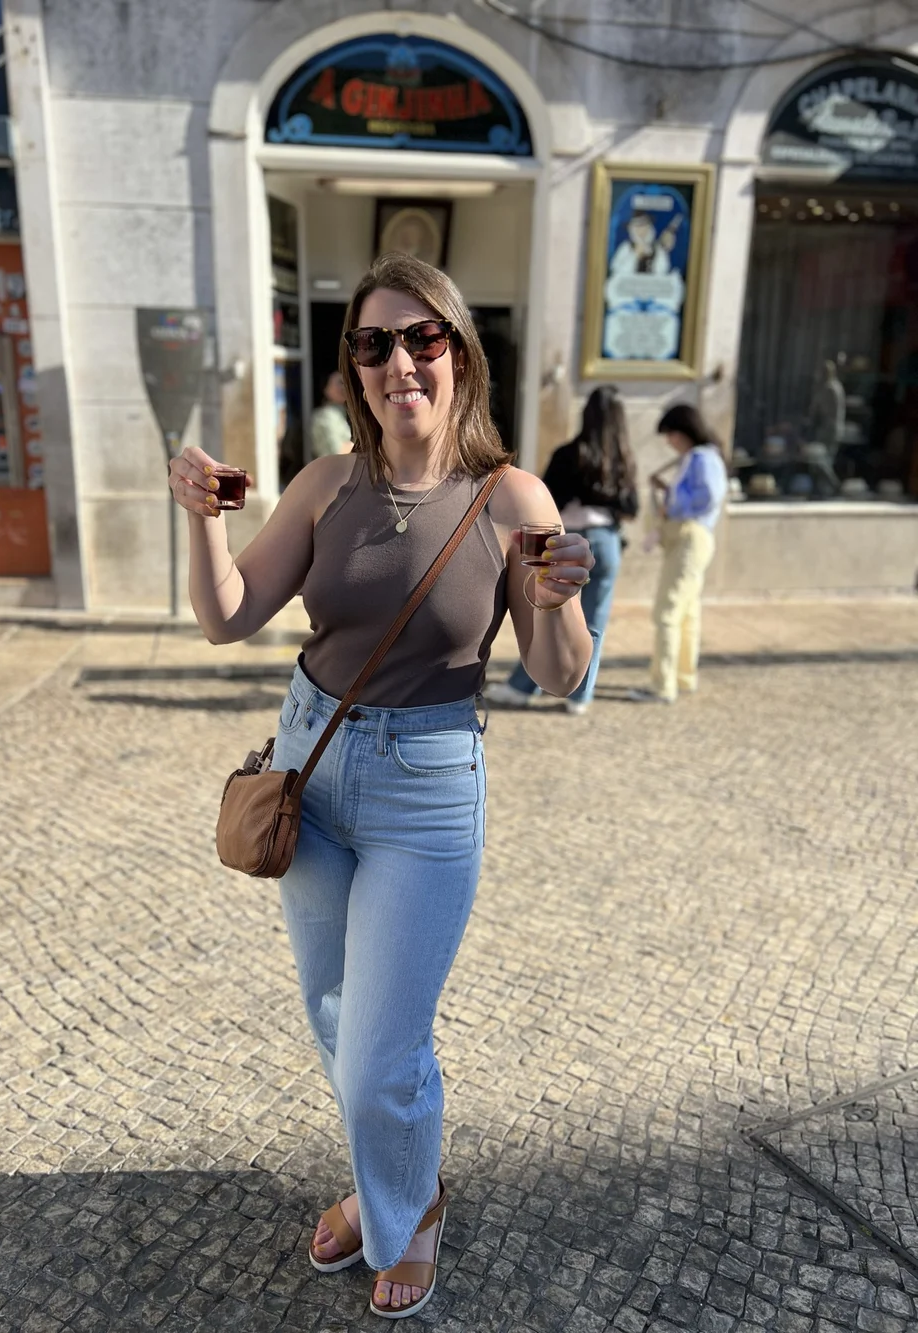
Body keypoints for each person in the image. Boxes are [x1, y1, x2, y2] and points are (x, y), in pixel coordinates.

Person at [167, 252, 595, 1321]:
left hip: (428, 789)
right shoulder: (325, 485)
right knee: (332, 1007)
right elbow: (227, 615)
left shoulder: (510, 497)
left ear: (459, 353)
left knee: (378, 1049)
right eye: (372, 343)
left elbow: (558, 672)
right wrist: (201, 517)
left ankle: (412, 1209)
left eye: (421, 338)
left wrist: (556, 602)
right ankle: (387, 1179)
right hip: (311, 767)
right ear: (353, 367)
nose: (398, 361)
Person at [484, 385, 638, 715]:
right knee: (594, 620)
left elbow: (547, 498)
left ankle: (523, 686)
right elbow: (631, 506)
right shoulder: (624, 459)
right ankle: (581, 695)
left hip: (568, 541)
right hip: (607, 540)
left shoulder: (570, 453)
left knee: (545, 616)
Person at [628, 403, 728, 704]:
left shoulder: (700, 457)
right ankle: (683, 676)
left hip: (690, 535)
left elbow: (706, 497)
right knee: (687, 610)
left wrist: (672, 498)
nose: (669, 441)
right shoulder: (704, 457)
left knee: (668, 611)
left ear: (683, 432)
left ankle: (662, 684)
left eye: (671, 434)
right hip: (695, 536)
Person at [310, 370, 353, 458]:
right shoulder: (325, 416)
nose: (344, 387)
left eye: (345, 383)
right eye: (340, 383)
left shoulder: (341, 413)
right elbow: (338, 452)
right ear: (326, 389)